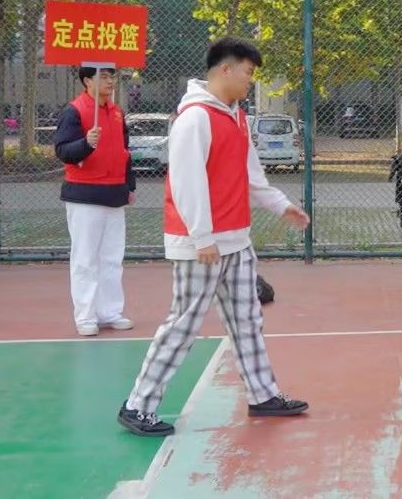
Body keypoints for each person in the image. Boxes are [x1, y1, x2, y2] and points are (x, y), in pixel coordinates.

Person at [118, 37, 310, 438]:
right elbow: (186, 182)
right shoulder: (194, 119)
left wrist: (281, 206)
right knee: (184, 324)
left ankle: (263, 394)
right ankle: (138, 405)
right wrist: (202, 236)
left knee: (247, 320)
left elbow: (252, 175)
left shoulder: (236, 117)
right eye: (248, 73)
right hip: (201, 245)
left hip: (236, 240)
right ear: (226, 69)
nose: (250, 80)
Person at [54, 67, 135, 337]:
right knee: (85, 259)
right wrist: (86, 144)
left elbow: (124, 152)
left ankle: (110, 312)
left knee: (112, 258)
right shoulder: (74, 111)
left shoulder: (117, 112)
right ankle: (86, 316)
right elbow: (63, 151)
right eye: (104, 77)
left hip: (114, 194)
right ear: (87, 81)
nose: (110, 82)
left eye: (112, 77)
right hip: (85, 195)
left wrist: (129, 186)